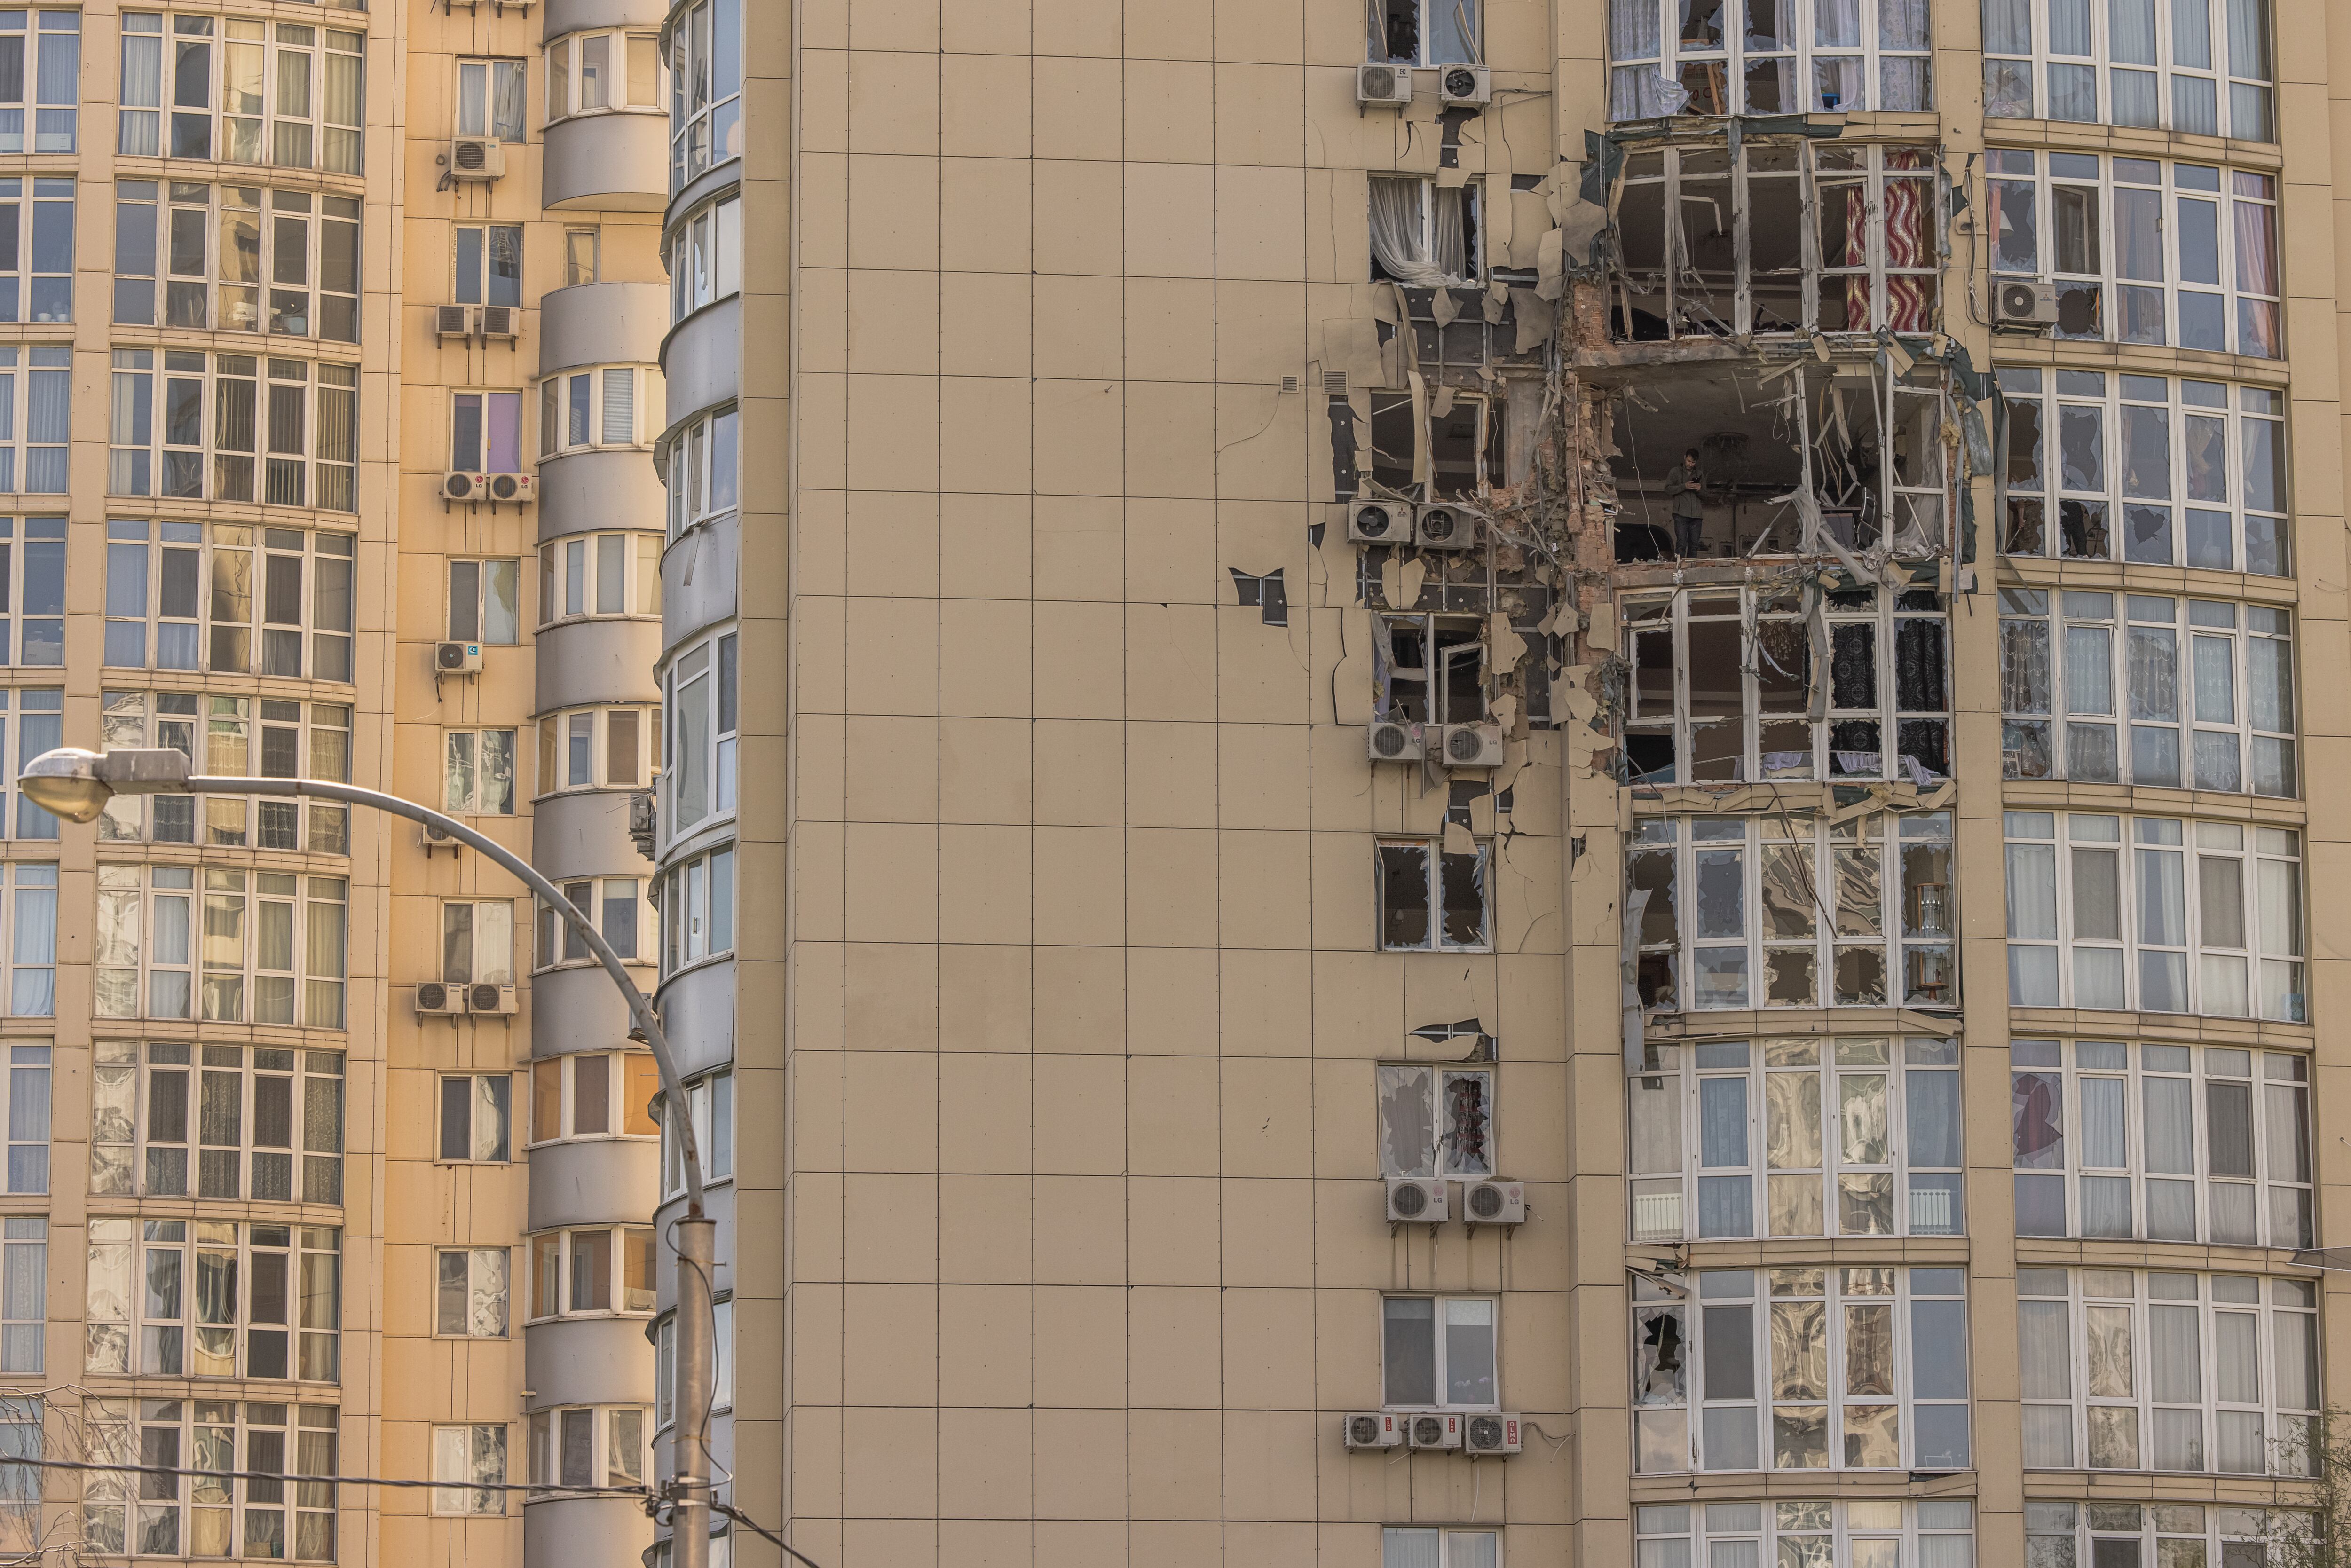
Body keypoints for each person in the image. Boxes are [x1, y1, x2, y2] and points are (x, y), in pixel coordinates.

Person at [1667, 448, 1707, 558]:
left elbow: (1706, 496)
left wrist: (1699, 490)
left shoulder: (1700, 474)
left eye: (1693, 462)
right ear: (1685, 458)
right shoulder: (1675, 471)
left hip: (1697, 516)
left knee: (1694, 545)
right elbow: (1668, 489)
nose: (1691, 464)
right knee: (1681, 543)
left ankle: (1691, 569)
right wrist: (1684, 486)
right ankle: (1679, 569)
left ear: (1696, 462)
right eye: (1689, 461)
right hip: (1680, 514)